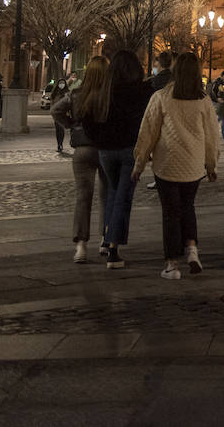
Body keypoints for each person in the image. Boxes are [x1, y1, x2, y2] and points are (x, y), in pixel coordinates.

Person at [132, 52, 219, 281]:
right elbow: (212, 136)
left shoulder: (161, 97)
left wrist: (139, 164)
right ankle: (191, 249)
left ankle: (172, 264)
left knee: (171, 213)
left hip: (167, 163)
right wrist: (211, 165)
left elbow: (148, 133)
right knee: (188, 207)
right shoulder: (204, 100)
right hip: (193, 164)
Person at [85, 50, 155, 270]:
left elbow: (88, 120)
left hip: (106, 151)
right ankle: (113, 249)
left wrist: (99, 140)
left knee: (113, 193)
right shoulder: (142, 92)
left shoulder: (105, 90)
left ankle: (107, 238)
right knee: (123, 197)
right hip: (129, 150)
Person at [51, 56, 110, 265]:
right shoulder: (109, 95)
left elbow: (55, 110)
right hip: (105, 148)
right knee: (106, 196)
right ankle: (106, 240)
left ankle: (81, 246)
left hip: (82, 149)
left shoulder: (76, 94)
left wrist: (71, 124)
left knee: (83, 197)